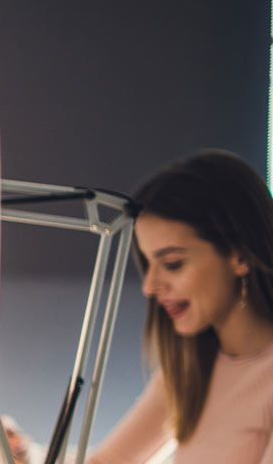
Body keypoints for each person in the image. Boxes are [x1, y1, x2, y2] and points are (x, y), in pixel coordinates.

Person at [86, 151, 273, 464]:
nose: (149, 287)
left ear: (240, 256)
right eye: (148, 263)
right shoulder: (190, 367)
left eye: (172, 264)